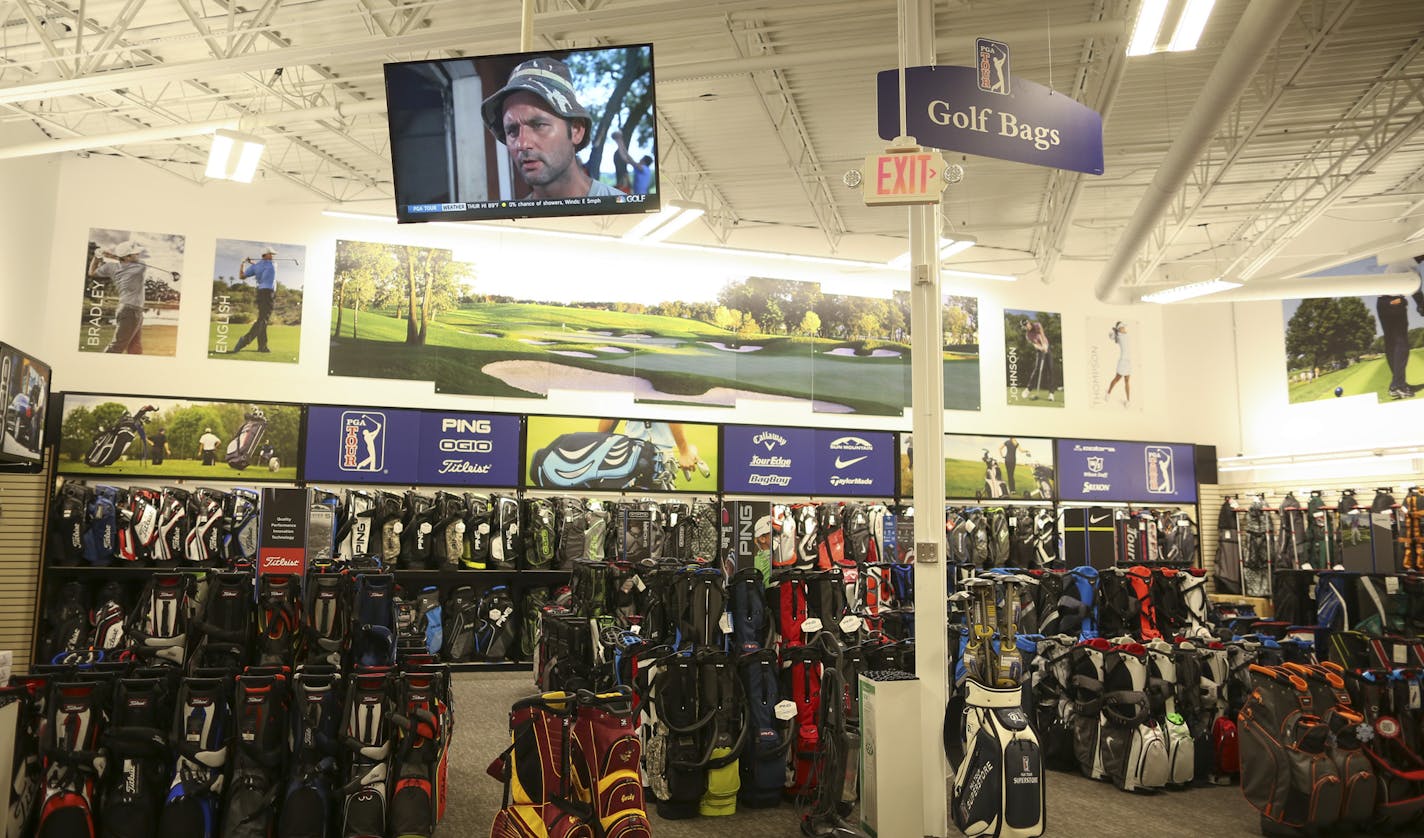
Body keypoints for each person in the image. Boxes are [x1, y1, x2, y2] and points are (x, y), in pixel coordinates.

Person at [480, 57, 621, 200]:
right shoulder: (509, 221)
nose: (522, 144)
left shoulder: (626, 213)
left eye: (538, 125)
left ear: (576, 130)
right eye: (512, 130)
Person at [88, 240, 149, 354]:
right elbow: (132, 261)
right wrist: (112, 256)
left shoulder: (110, 267)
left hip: (130, 310)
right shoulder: (140, 268)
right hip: (131, 311)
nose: (138, 254)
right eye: (135, 253)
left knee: (135, 347)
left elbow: (91, 272)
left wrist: (97, 257)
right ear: (128, 257)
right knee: (116, 348)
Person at [1378, 256, 1424, 400]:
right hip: (1395, 301)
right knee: (1401, 345)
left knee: (1392, 345)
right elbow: (1416, 290)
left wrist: (1421, 305)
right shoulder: (1411, 267)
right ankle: (1397, 385)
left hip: (1382, 303)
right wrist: (1421, 306)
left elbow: (1416, 291)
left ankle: (1398, 384)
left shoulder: (1399, 261)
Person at [230, 246, 278, 353]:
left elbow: (242, 276)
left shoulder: (256, 267)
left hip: (260, 293)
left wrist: (243, 264)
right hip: (268, 294)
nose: (273, 256)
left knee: (262, 319)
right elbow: (264, 265)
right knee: (263, 320)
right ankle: (245, 340)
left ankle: (262, 346)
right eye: (271, 254)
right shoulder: (274, 264)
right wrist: (253, 263)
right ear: (266, 255)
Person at [1022, 318, 1056, 401]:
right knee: (1037, 369)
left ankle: (1051, 394)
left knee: (1050, 369)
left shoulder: (1037, 325)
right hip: (1040, 350)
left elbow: (1042, 335)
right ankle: (1028, 389)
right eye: (1025, 326)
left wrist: (1045, 345)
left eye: (1027, 324)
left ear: (1029, 323)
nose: (1027, 327)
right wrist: (1041, 348)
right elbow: (1035, 344)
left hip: (1047, 346)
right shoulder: (1028, 335)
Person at [611, 129, 653, 195]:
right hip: (637, 196)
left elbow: (631, 160)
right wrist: (619, 143)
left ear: (644, 162)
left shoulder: (646, 169)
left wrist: (622, 144)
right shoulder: (639, 169)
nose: (639, 160)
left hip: (642, 196)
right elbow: (624, 158)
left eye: (641, 159)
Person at [1105, 321, 1132, 407]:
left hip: (1128, 362)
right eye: (1123, 327)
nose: (1124, 329)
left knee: (1127, 381)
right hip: (1122, 361)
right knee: (1117, 379)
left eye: (1124, 327)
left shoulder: (1126, 335)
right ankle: (1108, 393)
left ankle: (1128, 401)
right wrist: (1115, 331)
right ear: (1119, 329)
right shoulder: (1118, 336)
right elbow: (1110, 336)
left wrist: (1118, 331)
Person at [753, 515, 773, 581]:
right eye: (774, 533)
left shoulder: (755, 560)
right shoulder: (773, 558)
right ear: (762, 539)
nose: (778, 537)